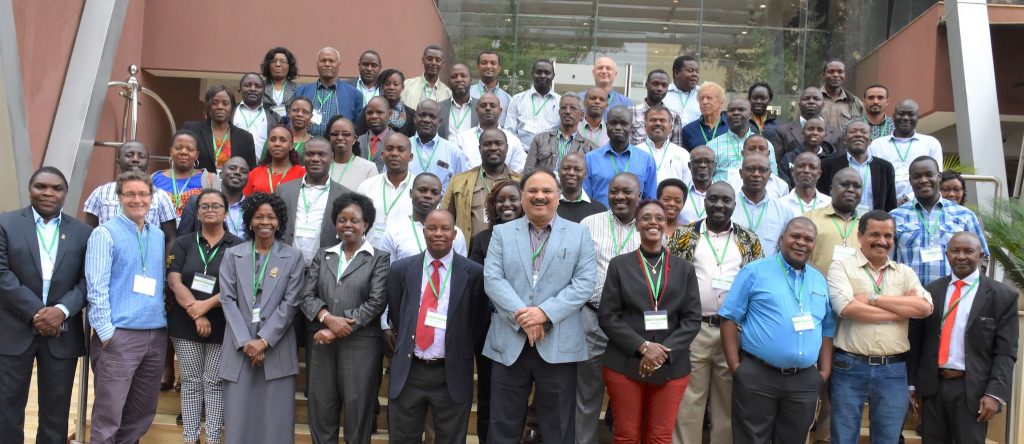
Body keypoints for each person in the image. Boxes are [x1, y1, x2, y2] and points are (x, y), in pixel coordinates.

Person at [483, 169, 597, 444]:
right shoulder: (501, 233)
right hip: (510, 343)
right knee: (503, 425)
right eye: (532, 191)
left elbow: (584, 284)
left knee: (558, 427)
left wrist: (544, 314)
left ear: (558, 197)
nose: (540, 196)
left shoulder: (579, 234)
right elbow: (492, 279)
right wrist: (525, 318)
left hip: (559, 344)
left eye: (547, 191)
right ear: (522, 197)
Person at [719, 217, 836, 444]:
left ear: (814, 245)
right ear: (782, 240)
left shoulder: (820, 280)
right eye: (795, 236)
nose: (801, 242)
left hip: (804, 380)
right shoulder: (754, 271)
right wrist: (736, 367)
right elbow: (729, 318)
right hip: (758, 375)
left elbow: (827, 328)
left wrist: (823, 372)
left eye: (808, 239)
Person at [667, 181, 764, 444]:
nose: (719, 205)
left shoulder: (748, 238)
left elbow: (758, 289)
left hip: (733, 332)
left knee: (727, 401)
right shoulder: (684, 234)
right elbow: (669, 283)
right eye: (713, 199)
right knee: (689, 400)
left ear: (734, 204)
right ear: (704, 201)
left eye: (726, 200)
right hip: (693, 329)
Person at [599, 199, 702, 443]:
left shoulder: (684, 268)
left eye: (659, 218)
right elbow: (608, 316)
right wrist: (644, 347)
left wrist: (660, 353)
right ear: (637, 225)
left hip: (672, 364)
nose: (653, 222)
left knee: (660, 435)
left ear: (666, 225)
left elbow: (692, 319)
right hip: (624, 361)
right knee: (626, 434)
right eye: (646, 217)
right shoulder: (619, 265)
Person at [0, 167, 90, 444]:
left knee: (56, 412)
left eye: (56, 188)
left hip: (61, 333)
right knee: (6, 409)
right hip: (14, 330)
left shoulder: (84, 232)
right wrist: (38, 313)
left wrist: (60, 312)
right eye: (41, 186)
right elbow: (2, 273)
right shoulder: (6, 224)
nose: (48, 193)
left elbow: (89, 280)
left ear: (66, 193)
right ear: (30, 190)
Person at [826, 210, 932, 444]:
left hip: (893, 369)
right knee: (843, 438)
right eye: (875, 234)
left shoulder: (904, 272)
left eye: (888, 235)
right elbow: (847, 308)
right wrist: (900, 310)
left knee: (888, 439)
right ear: (860, 235)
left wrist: (873, 299)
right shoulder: (841, 267)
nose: (882, 241)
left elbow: (924, 308)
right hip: (848, 365)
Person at [386, 209, 486, 444]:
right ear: (424, 232)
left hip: (450, 372)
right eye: (432, 228)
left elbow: (478, 321)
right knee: (402, 438)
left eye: (445, 229)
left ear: (454, 234)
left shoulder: (473, 273)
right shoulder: (401, 270)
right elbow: (398, 313)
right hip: (410, 371)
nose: (438, 233)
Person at [909, 232, 1019, 444]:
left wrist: (994, 394)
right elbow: (918, 342)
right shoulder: (931, 291)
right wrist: (912, 385)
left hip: (973, 391)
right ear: (947, 254)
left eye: (968, 251)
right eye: (955, 251)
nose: (961, 256)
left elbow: (1005, 352)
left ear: (981, 255)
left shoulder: (1002, 296)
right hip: (933, 388)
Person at [85, 170, 168, 443]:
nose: (137, 199)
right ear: (119, 197)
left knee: (141, 414)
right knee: (109, 416)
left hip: (155, 335)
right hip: (119, 336)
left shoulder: (157, 236)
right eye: (130, 194)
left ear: (151, 198)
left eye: (143, 194)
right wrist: (107, 333)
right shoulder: (104, 233)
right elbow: (96, 287)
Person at [301, 192, 390, 444]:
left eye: (354, 220)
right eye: (342, 220)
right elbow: (306, 295)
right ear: (335, 224)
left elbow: (376, 302)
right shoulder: (323, 254)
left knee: (357, 410)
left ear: (366, 225)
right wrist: (328, 318)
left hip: (361, 345)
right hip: (322, 345)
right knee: (321, 408)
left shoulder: (379, 258)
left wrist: (338, 327)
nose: (347, 225)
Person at [218, 192, 305, 444]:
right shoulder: (233, 254)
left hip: (276, 348)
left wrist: (263, 341)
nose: (265, 222)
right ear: (249, 220)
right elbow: (227, 300)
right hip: (239, 347)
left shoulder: (293, 256)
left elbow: (291, 303)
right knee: (238, 417)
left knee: (275, 421)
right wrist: (248, 343)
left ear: (279, 222)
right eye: (259, 217)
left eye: (271, 217)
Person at [166, 189, 242, 444]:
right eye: (205, 206)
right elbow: (175, 281)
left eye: (216, 206)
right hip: (184, 323)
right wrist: (196, 313)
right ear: (197, 212)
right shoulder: (184, 242)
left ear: (225, 211)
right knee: (190, 381)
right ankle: (190, 438)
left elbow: (237, 286)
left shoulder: (238, 246)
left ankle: (212, 438)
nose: (210, 210)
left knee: (213, 382)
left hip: (223, 324)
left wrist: (206, 307)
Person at [577, 173, 644, 442]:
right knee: (586, 394)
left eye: (627, 191)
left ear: (639, 195)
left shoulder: (648, 226)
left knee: (631, 395)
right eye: (614, 191)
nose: (619, 197)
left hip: (632, 326)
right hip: (590, 320)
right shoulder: (588, 224)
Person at [468, 180, 524, 443]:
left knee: (519, 393)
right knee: (488, 394)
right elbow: (477, 285)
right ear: (492, 204)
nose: (507, 204)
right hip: (489, 328)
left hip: (526, 326)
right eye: (501, 199)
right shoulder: (481, 240)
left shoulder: (534, 235)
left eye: (513, 198)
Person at [891, 156, 988, 286]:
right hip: (909, 297)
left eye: (929, 174)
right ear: (910, 180)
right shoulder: (895, 217)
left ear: (939, 177)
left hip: (953, 296)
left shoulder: (965, 216)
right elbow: (887, 260)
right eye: (917, 176)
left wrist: (968, 290)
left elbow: (982, 257)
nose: (923, 180)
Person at [83, 140, 177, 246]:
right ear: (118, 161)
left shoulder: (161, 196)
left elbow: (170, 238)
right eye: (129, 155)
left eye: (141, 156)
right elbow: (88, 233)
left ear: (148, 163)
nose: (135, 159)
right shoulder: (100, 193)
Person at [278, 137, 352, 265]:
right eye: (310, 154)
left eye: (322, 154)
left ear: (332, 157)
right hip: (285, 267)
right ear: (303, 157)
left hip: (326, 269)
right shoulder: (284, 190)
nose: (315, 159)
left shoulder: (345, 196)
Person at [442, 128, 522, 242]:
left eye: (498, 143)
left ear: (507, 148)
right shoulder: (458, 181)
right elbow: (445, 218)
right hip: (470, 254)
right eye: (487, 144)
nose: (493, 148)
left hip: (511, 251)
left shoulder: (521, 182)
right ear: (480, 149)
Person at [868, 99, 944, 204]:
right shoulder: (877, 144)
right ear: (893, 116)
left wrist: (907, 200)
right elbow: (871, 178)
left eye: (911, 114)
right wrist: (891, 201)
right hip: (884, 205)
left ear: (918, 117)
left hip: (921, 203)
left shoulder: (931, 143)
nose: (905, 118)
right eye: (901, 114)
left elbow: (936, 176)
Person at [381, 173, 468, 261]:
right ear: (411, 193)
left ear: (440, 198)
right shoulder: (393, 232)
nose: (428, 196)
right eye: (422, 190)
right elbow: (388, 272)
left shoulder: (453, 233)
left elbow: (461, 270)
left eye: (434, 192)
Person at [582, 106, 658, 206]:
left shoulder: (646, 160)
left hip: (634, 220)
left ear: (631, 127)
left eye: (623, 123)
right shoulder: (590, 159)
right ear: (606, 125)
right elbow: (586, 199)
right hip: (600, 219)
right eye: (613, 123)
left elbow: (650, 201)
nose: (618, 127)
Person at [819, 120, 898, 213]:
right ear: (844, 140)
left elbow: (890, 205)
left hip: (874, 223)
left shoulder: (885, 168)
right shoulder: (827, 165)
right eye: (853, 131)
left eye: (863, 132)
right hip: (838, 222)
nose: (858, 135)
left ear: (870, 141)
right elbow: (822, 198)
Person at [357, 133, 415, 247]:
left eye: (400, 150)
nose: (394, 153)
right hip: (370, 257)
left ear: (411, 156)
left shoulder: (420, 189)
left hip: (405, 259)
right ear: (383, 155)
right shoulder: (367, 186)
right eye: (389, 149)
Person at [732, 153, 796, 255]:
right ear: (740, 173)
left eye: (762, 170)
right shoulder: (728, 207)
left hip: (769, 269)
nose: (756, 174)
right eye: (750, 169)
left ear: (770, 174)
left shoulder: (783, 211)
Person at [184, 85, 258, 172]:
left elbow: (251, 171)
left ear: (232, 108)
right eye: (215, 103)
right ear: (208, 107)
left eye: (225, 103)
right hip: (197, 184)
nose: (220, 107)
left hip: (232, 185)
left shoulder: (245, 138)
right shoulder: (192, 130)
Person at [294, 47, 364, 137]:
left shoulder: (354, 94)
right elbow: (291, 119)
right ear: (317, 64)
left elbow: (358, 128)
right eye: (323, 61)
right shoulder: (301, 91)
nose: (327, 64)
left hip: (337, 147)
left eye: (331, 61)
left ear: (339, 64)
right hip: (306, 146)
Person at [805, 168, 863, 275]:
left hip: (856, 290)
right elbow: (800, 256)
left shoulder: (866, 224)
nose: (851, 189)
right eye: (844, 184)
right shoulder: (810, 219)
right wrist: (823, 279)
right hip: (818, 288)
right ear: (831, 189)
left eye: (857, 186)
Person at [707, 97, 780, 182]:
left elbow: (773, 178)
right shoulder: (712, 145)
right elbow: (707, 178)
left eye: (741, 110)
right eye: (731, 110)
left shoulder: (764, 145)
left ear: (750, 115)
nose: (736, 113)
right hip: (722, 193)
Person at [451, 92, 528, 172]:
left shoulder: (513, 141)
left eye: (493, 105)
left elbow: (519, 172)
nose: (488, 108)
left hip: (503, 183)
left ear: (500, 111)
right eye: (483, 105)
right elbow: (455, 169)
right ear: (476, 110)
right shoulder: (462, 139)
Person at [178, 157, 250, 239]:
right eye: (232, 168)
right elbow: (182, 240)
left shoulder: (252, 207)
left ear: (248, 178)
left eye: (243, 171)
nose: (237, 172)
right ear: (221, 174)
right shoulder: (196, 202)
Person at [524, 95, 597, 174]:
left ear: (582, 115)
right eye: (563, 108)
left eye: (573, 108)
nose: (568, 111)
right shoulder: (540, 139)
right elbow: (528, 172)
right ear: (559, 112)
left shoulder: (590, 148)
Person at [409, 99, 470, 192]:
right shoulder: (401, 148)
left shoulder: (454, 153)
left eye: (432, 116)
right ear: (414, 118)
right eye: (422, 115)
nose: (426, 120)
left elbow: (463, 189)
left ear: (440, 121)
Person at [152, 130, 218, 216]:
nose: (183, 152)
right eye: (178, 148)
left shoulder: (210, 179)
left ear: (197, 155)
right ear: (171, 151)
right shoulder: (155, 178)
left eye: (190, 149)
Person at [767, 86, 842, 159]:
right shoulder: (782, 131)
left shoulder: (836, 134)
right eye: (806, 98)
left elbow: (840, 165)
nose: (811, 102)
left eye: (816, 99)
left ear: (823, 105)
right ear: (799, 104)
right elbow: (776, 163)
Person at [506, 59, 561, 148]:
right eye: (538, 72)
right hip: (523, 156)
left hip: (551, 157)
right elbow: (510, 132)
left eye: (547, 73)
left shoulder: (560, 102)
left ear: (553, 76)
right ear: (532, 74)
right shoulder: (517, 100)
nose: (543, 76)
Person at [243, 125, 306, 196]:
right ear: (268, 144)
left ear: (291, 145)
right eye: (273, 139)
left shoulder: (302, 174)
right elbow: (243, 203)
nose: (277, 144)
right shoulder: (254, 174)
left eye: (283, 140)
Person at [778, 117, 841, 188]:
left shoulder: (834, 160)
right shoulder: (789, 158)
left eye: (820, 130)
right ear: (802, 133)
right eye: (810, 129)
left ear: (825, 135)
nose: (815, 133)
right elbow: (783, 185)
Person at [630, 69, 686, 147]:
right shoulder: (630, 113)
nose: (660, 88)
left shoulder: (674, 116)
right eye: (655, 84)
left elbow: (676, 149)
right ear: (646, 85)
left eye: (664, 85)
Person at [640, 105, 692, 185]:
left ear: (671, 127)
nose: (657, 123)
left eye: (662, 120)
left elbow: (688, 185)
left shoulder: (683, 154)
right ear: (645, 126)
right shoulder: (635, 153)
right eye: (653, 120)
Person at [234, 72, 281, 156]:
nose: (253, 89)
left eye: (258, 86)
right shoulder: (230, 113)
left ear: (264, 90)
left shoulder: (274, 116)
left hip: (262, 167)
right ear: (240, 89)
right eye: (247, 85)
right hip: (235, 166)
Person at [327, 115, 379, 189]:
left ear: (354, 139)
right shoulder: (322, 165)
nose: (340, 137)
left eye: (346, 134)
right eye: (335, 134)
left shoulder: (369, 168)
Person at [556, 153, 607, 223]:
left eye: (577, 169)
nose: (571, 173)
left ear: (585, 174)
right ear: (558, 172)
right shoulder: (548, 206)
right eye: (566, 168)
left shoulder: (599, 210)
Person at [680, 81, 729, 150]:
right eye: (701, 98)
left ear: (721, 102)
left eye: (709, 98)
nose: (704, 102)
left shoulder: (731, 127)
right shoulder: (688, 130)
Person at [402, 45, 452, 109]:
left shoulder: (448, 93)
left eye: (438, 60)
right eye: (429, 59)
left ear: (443, 63)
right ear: (423, 60)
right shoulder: (406, 85)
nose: (433, 63)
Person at [819, 59, 865, 129]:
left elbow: (863, 129)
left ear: (844, 75)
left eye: (840, 72)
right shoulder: (811, 99)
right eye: (831, 72)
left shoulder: (855, 102)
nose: (835, 75)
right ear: (823, 75)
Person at [357, 96, 400, 171]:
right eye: (370, 113)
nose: (374, 116)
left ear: (389, 114)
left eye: (379, 112)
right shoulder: (357, 141)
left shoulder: (399, 142)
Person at [471, 50, 513, 126]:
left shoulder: (508, 100)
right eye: (484, 63)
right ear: (478, 67)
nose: (488, 66)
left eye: (493, 63)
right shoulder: (468, 94)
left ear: (499, 68)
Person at [438, 63, 478, 140]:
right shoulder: (439, 108)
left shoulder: (481, 107)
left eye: (463, 75)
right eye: (454, 76)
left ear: (470, 80)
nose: (459, 79)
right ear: (448, 82)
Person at [679, 146, 715, 225]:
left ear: (715, 166)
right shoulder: (680, 193)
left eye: (708, 161)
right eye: (697, 161)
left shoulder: (722, 194)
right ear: (689, 166)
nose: (702, 165)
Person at [376, 69, 417, 137]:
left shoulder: (411, 114)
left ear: (402, 87)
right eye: (387, 84)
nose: (391, 87)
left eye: (396, 84)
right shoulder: (372, 110)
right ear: (382, 86)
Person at [261, 47, 298, 115]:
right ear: (268, 65)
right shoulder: (260, 87)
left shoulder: (298, 89)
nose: (278, 64)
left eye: (283, 61)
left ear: (289, 66)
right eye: (274, 61)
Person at [666, 55, 701, 125]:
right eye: (690, 71)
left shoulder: (703, 94)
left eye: (697, 71)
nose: (695, 74)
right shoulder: (663, 94)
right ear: (676, 73)